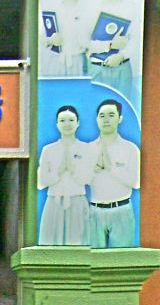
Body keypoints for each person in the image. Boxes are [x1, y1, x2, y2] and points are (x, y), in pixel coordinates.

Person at [87, 99, 140, 248]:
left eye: (111, 115)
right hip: (95, 211)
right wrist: (94, 170)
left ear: (120, 119)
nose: (106, 120)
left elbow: (136, 182)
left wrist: (111, 168)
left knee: (122, 258)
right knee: (93, 259)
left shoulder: (130, 149)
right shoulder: (88, 149)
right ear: (97, 119)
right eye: (102, 116)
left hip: (122, 211)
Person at [37, 105, 92, 245]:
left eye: (71, 120)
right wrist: (59, 171)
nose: (67, 124)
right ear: (57, 124)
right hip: (54, 202)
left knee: (78, 245)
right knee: (50, 244)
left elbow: (89, 179)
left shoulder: (86, 149)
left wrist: (73, 169)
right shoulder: (48, 150)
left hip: (77, 201)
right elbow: (41, 182)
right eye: (62, 120)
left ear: (78, 123)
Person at [85, 0, 138, 98]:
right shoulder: (89, 9)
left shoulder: (130, 8)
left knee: (122, 106)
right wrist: (109, 45)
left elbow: (136, 38)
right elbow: (84, 43)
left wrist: (121, 56)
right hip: (96, 68)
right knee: (95, 106)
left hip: (122, 68)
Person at [41, 0, 87, 77]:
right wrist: (51, 40)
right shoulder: (52, 10)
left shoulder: (85, 10)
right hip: (57, 60)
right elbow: (42, 37)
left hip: (77, 59)